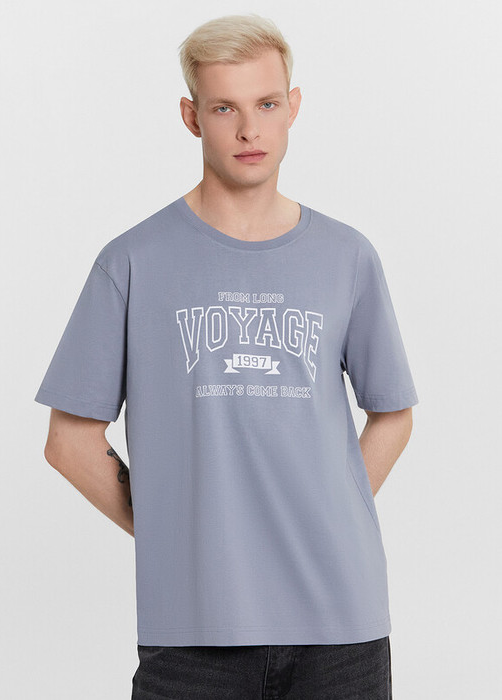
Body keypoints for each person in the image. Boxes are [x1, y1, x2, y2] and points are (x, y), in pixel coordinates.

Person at [34, 13, 418, 699]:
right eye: (224, 108)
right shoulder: (132, 261)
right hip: (194, 636)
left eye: (266, 104)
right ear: (192, 117)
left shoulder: (347, 257)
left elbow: (393, 413)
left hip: (341, 624)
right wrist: (176, 534)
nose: (248, 130)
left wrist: (326, 516)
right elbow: (69, 442)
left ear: (292, 107)